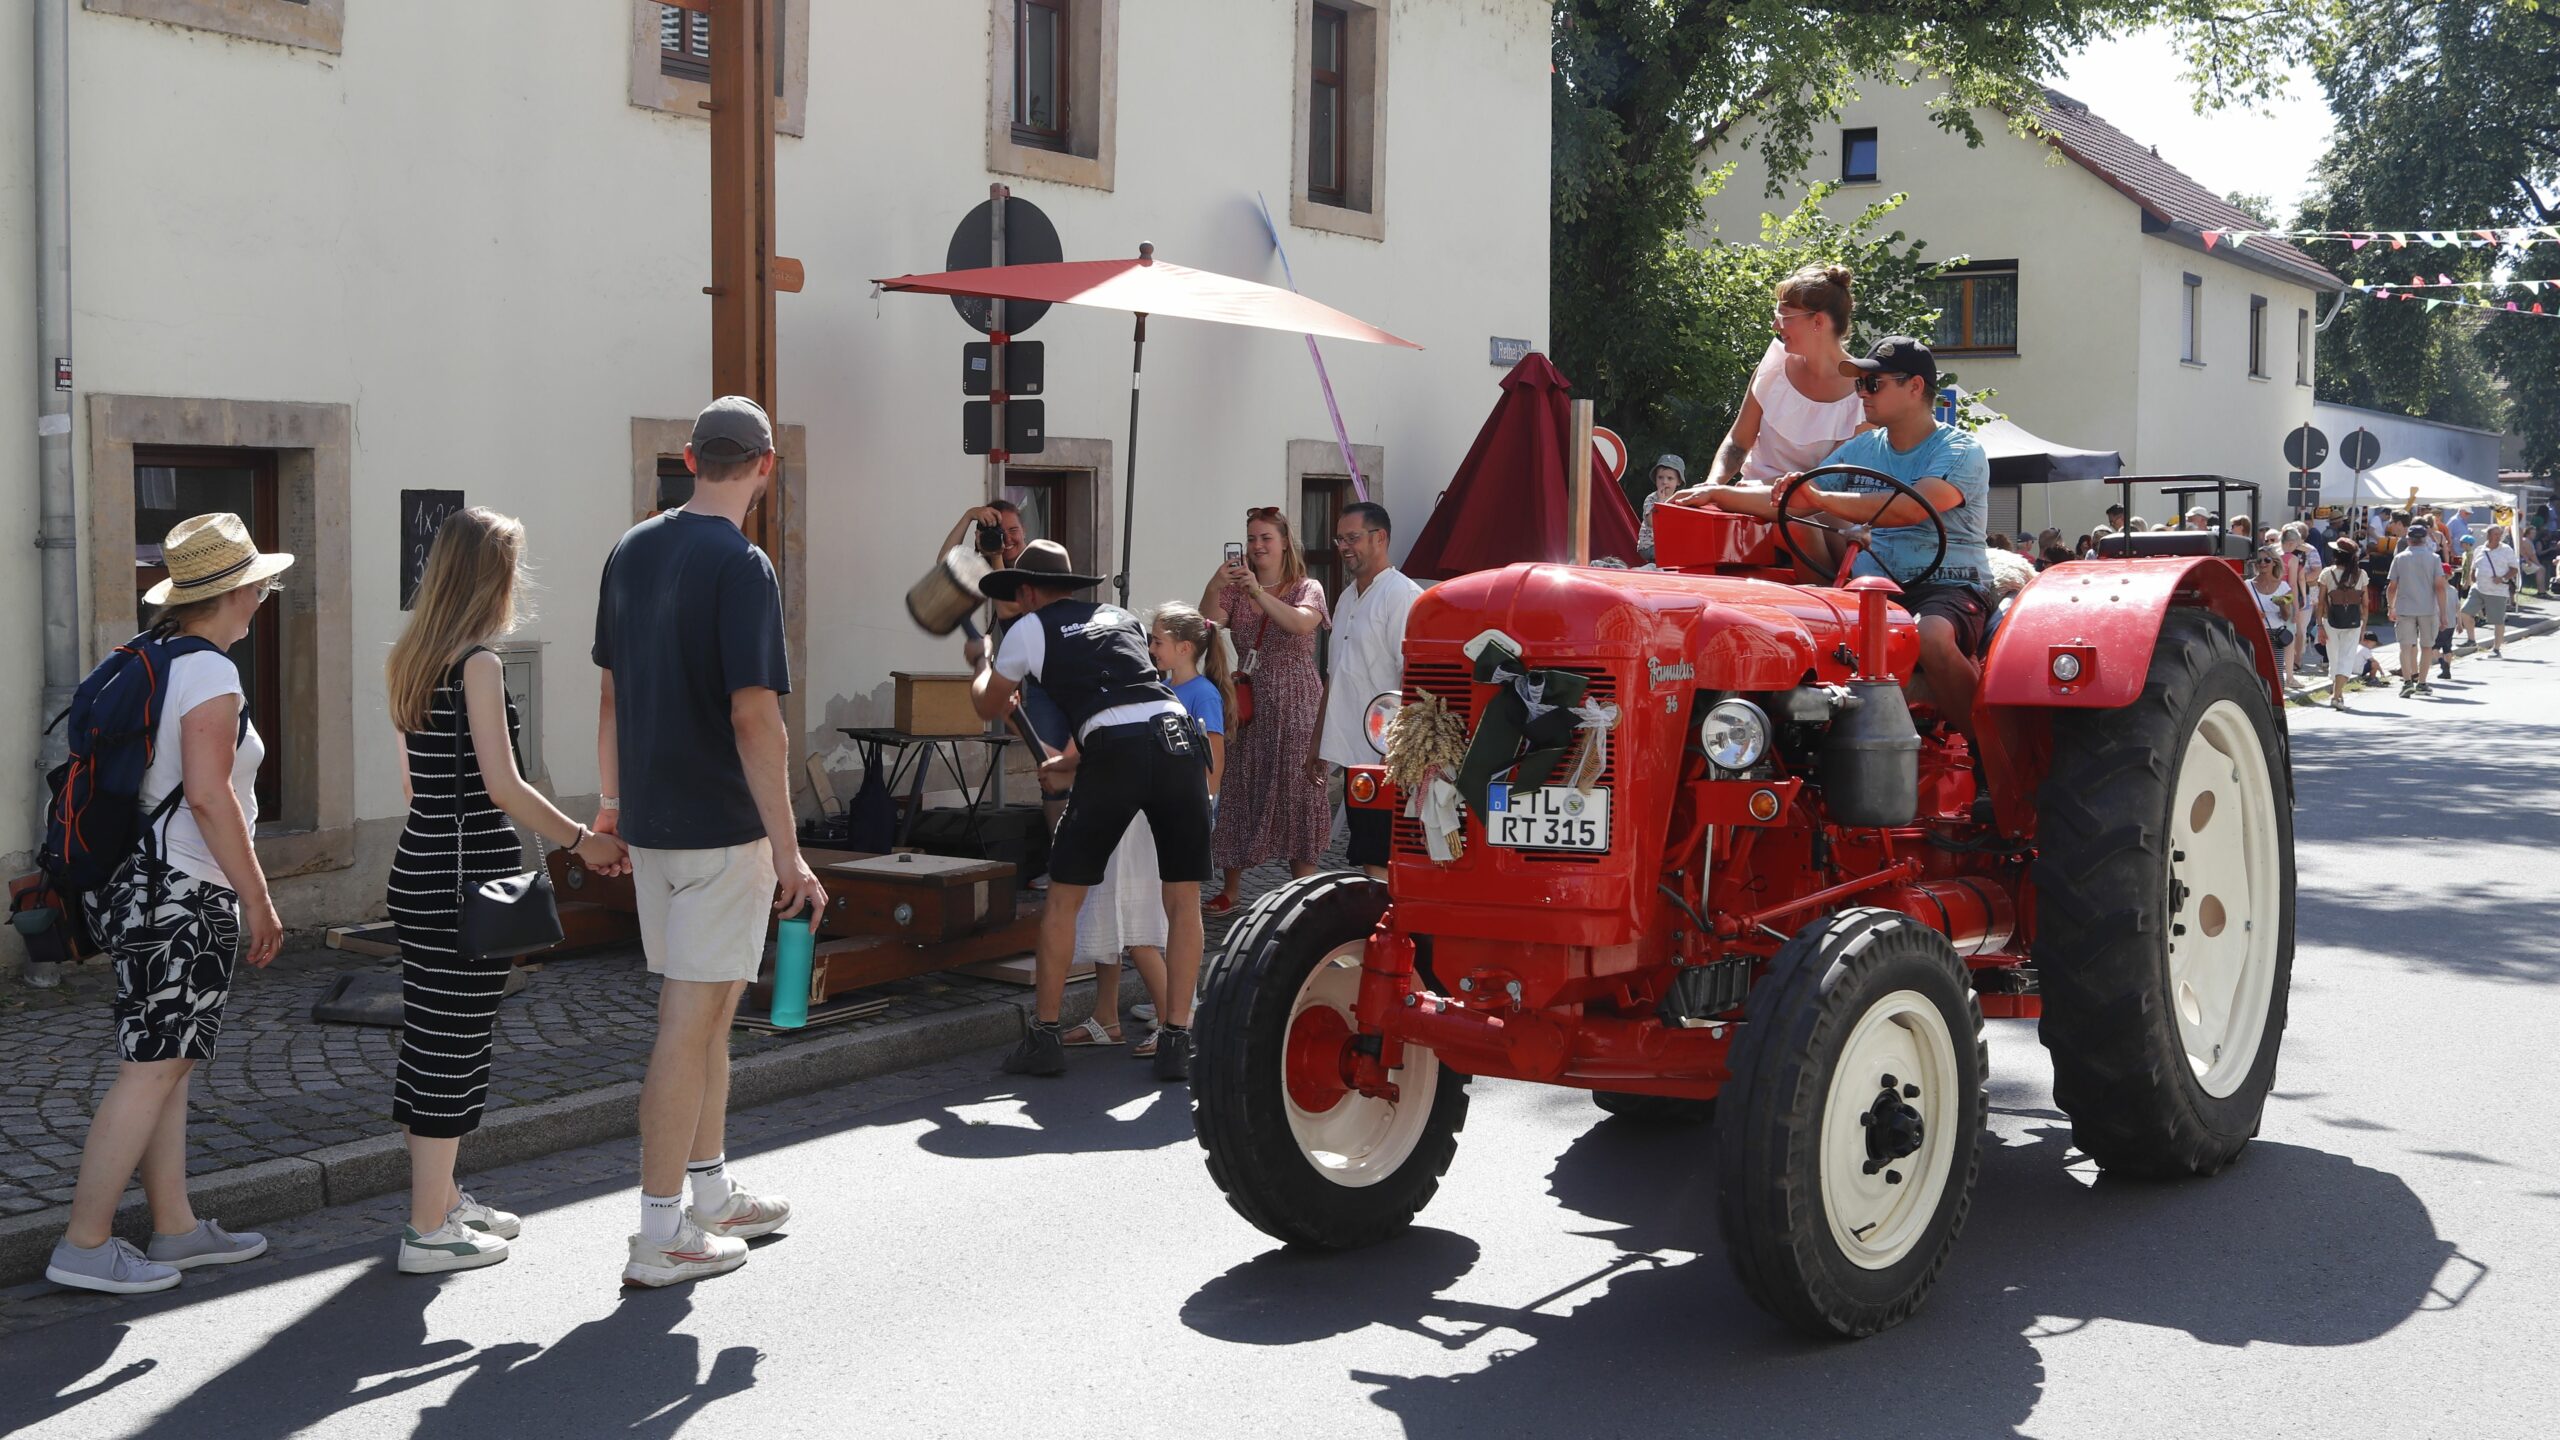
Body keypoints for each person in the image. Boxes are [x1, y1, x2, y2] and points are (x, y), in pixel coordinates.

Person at [594, 396, 820, 1288]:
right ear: (765, 468)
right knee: (688, 1030)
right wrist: (792, 852)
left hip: (652, 825)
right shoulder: (743, 564)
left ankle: (711, 1195)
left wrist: (610, 808)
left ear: (690, 458)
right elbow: (755, 718)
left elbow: (611, 696)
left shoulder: (631, 546)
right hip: (723, 829)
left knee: (710, 1017)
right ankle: (660, 1234)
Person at [382, 509, 629, 1274]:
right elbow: (505, 787)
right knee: (452, 1044)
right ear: (491, 575)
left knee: (435, 1036)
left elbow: (413, 784)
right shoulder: (479, 665)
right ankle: (428, 1227)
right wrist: (583, 842)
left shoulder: (409, 658)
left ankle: (445, 1199)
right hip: (469, 877)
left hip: (421, 863)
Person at [46, 513, 286, 1295]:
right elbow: (212, 798)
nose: (265, 598)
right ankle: (85, 1244)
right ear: (240, 592)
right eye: (261, 587)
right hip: (182, 891)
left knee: (166, 1062)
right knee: (152, 1068)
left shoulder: (155, 654)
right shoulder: (212, 672)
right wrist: (259, 899)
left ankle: (175, 1227)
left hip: (143, 887)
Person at [971, 542, 1214, 1081]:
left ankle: (1045, 1037)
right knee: (1183, 896)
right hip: (1176, 740)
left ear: (1029, 590)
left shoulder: (1028, 630)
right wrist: (1067, 761)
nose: (1016, 603)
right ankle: (1178, 1036)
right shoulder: (1120, 617)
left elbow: (989, 704)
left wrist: (983, 664)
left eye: (1016, 594)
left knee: (1064, 896)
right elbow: (1131, 700)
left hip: (1118, 752)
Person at [1686, 336, 1993, 741]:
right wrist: (1717, 494)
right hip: (1872, 595)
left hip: (1947, 586)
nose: (1861, 394)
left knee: (1932, 636)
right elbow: (1794, 498)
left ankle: (1992, 754)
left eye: (1873, 384)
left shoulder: (1959, 449)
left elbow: (1911, 507)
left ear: (1915, 387)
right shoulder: (1863, 447)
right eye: (1859, 384)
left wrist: (1819, 497)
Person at [1201, 507, 1330, 914]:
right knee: (1240, 787)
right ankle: (1231, 890)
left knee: (1300, 790)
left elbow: (1300, 625)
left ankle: (1304, 889)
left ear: (1284, 543)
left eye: (1266, 538)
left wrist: (1257, 592)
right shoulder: (1235, 591)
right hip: (1249, 702)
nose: (1257, 546)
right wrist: (1215, 582)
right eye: (1252, 538)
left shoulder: (1307, 587)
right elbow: (1203, 623)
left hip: (1297, 702)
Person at [1306, 502, 1421, 882]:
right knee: (1369, 851)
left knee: (1382, 854)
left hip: (1388, 758)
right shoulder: (1346, 598)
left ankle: (1387, 929)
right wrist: (1317, 744)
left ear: (1380, 537)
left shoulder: (1401, 595)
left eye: (1352, 537)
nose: (1343, 546)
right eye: (1339, 539)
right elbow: (1335, 676)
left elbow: (1414, 682)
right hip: (1356, 757)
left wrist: (1401, 756)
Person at [1697, 265, 1866, 488]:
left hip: (1812, 517)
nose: (1775, 325)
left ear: (1818, 322)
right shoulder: (1772, 368)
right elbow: (1738, 443)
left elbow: (1825, 479)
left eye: (1784, 317)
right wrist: (1713, 484)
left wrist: (1753, 489)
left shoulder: (1866, 391)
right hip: (1745, 504)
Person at [2386, 520, 2447, 698]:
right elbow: (2440, 587)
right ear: (2425, 538)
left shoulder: (2400, 558)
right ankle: (2422, 682)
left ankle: (2407, 682)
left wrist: (2391, 607)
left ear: (2409, 539)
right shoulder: (2434, 559)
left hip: (2405, 607)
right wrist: (2443, 613)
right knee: (2427, 646)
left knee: (2405, 647)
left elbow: (2392, 586)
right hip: (2428, 608)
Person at [2310, 539, 2367, 711]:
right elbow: (2365, 603)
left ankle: (2336, 694)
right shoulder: (2361, 574)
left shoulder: (2327, 573)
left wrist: (2319, 625)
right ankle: (2337, 695)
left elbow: (2320, 602)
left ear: (2336, 555)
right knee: (2346, 658)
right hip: (2353, 621)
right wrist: (2364, 626)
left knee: (2334, 658)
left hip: (2330, 621)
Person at [2471, 523, 2519, 656]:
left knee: (2498, 620)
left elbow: (2514, 569)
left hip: (2498, 591)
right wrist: (2473, 580)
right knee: (2465, 612)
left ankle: (2496, 648)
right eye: (2496, 534)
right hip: (2479, 588)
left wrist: (2503, 578)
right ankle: (2471, 640)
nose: (2499, 537)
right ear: (2488, 535)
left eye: (2500, 534)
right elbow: (2474, 568)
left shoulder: (2506, 549)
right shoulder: (2479, 549)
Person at [1634, 455, 1684, 565]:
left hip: (1667, 544)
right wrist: (1661, 503)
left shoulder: (1679, 500)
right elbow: (1651, 522)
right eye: (1660, 477)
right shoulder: (1652, 499)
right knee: (1674, 554)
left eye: (1670, 478)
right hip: (1650, 546)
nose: (1664, 482)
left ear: (1678, 482)